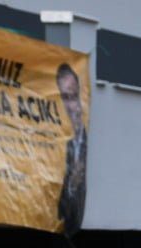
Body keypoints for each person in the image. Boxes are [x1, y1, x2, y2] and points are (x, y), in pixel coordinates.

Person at [55, 63, 87, 236]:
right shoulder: (54, 144)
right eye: (64, 98)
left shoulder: (84, 142)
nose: (69, 107)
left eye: (73, 97)